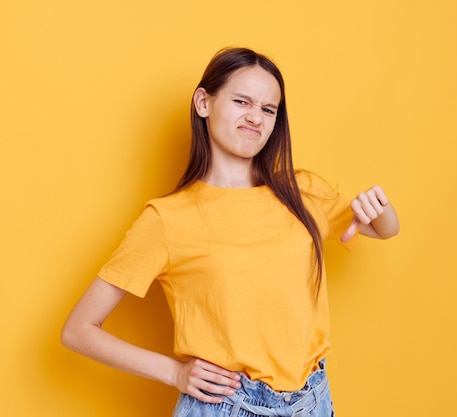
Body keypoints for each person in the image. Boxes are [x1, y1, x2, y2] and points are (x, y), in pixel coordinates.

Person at [61, 47, 399, 417]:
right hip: (225, 406)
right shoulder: (167, 219)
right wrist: (174, 372)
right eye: (242, 101)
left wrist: (379, 208)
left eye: (268, 110)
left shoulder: (300, 192)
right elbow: (78, 330)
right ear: (203, 102)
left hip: (311, 400)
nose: (256, 117)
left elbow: (385, 230)